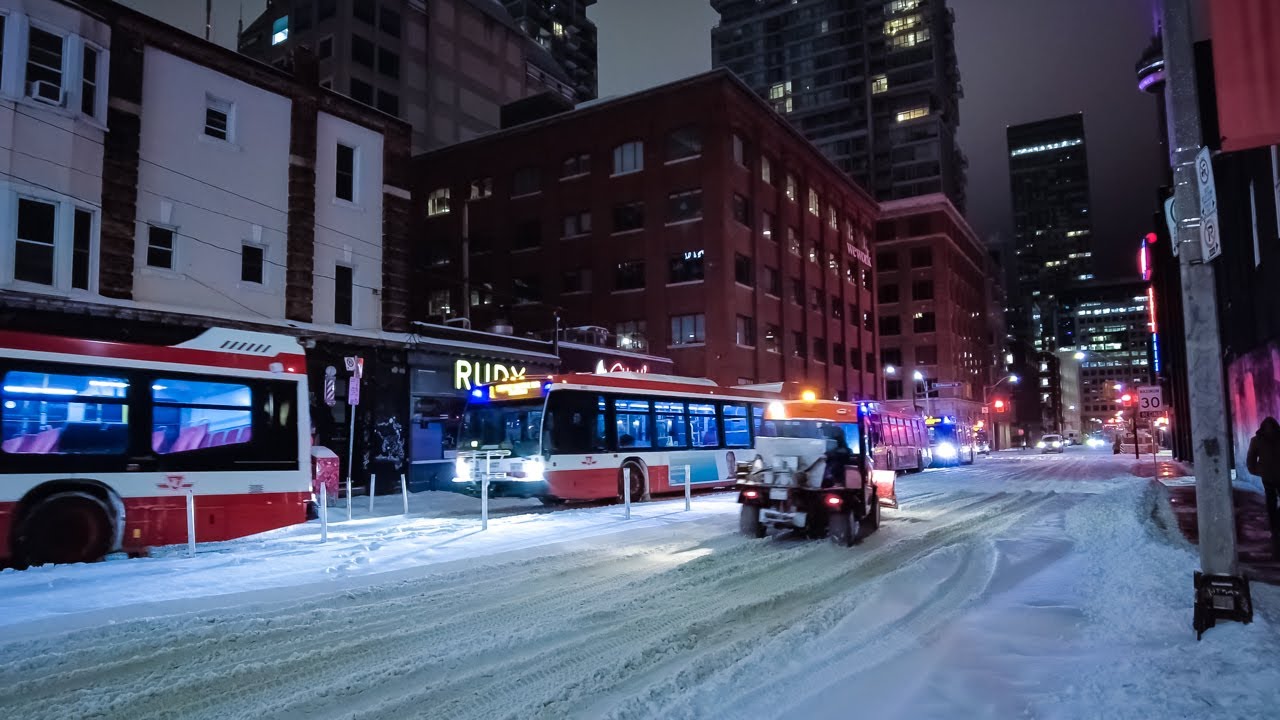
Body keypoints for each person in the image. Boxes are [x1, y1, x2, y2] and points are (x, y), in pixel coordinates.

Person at [1246, 417, 1280, 557]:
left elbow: (1251, 460)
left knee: (1272, 502)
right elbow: (1251, 459)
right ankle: (1274, 527)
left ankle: (1275, 524)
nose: (1269, 430)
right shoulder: (1257, 440)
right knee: (1271, 502)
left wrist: (1257, 470)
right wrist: (1257, 471)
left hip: (1274, 476)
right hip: (1268, 477)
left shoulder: (1260, 440)